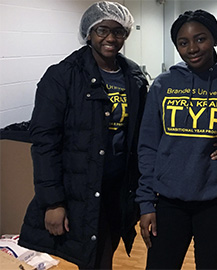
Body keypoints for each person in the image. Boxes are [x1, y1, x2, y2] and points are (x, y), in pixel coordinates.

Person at [18, 1, 148, 269]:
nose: (111, 38)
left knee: (104, 252)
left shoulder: (133, 76)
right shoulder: (62, 77)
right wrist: (52, 202)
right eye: (102, 30)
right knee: (94, 259)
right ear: (88, 33)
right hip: (81, 189)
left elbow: (139, 139)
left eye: (119, 31)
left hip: (118, 190)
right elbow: (45, 144)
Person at [135, 9, 217, 270]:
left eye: (200, 39)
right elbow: (148, 147)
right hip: (168, 201)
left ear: (214, 39)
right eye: (183, 43)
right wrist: (145, 203)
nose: (192, 48)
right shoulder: (163, 85)